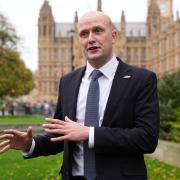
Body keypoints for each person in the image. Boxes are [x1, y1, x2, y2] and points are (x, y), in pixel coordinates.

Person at [0, 11, 160, 180]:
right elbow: (61, 135)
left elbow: (147, 138)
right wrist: (29, 145)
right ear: (79, 41)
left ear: (114, 36)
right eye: (84, 34)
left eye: (98, 31)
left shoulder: (142, 80)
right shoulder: (68, 82)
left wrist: (89, 133)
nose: (91, 38)